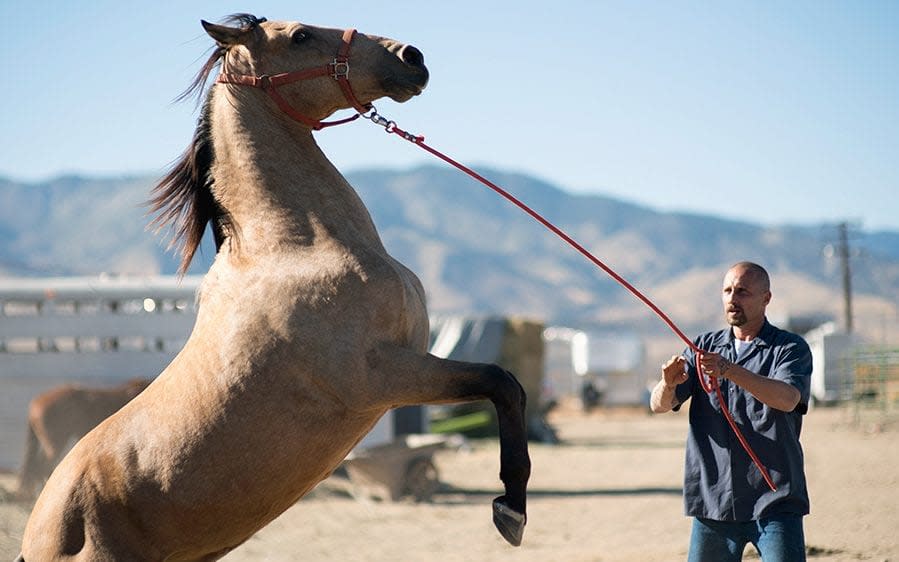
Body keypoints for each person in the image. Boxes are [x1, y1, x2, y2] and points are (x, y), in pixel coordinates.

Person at [650, 261, 813, 562]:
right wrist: (667, 384)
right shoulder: (701, 348)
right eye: (727, 290)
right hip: (715, 502)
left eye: (743, 292)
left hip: (775, 500)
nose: (732, 299)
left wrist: (729, 370)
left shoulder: (790, 349)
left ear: (766, 298)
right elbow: (658, 405)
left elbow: (788, 398)